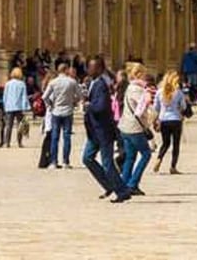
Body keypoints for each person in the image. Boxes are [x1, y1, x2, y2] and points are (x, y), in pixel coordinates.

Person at [81, 57, 128, 203]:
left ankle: (122, 190)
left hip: (103, 131)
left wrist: (89, 106)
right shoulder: (92, 84)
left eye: (92, 67)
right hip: (94, 131)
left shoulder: (101, 85)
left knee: (107, 163)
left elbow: (101, 107)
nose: (88, 70)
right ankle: (109, 185)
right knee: (87, 158)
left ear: (100, 69)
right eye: (88, 67)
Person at [117, 64, 155, 195]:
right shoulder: (136, 89)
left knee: (130, 157)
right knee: (146, 154)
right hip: (134, 128)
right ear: (139, 75)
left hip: (126, 127)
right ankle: (133, 183)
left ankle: (123, 183)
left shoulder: (131, 87)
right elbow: (144, 105)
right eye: (144, 74)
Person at [42, 62, 80, 169]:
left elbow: (44, 96)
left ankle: (53, 161)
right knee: (67, 137)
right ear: (66, 70)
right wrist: (74, 102)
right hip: (68, 111)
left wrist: (50, 105)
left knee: (55, 137)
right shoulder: (72, 82)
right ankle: (65, 162)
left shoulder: (53, 82)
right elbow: (80, 95)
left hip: (56, 111)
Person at [154, 70, 189, 175]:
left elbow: (156, 107)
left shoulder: (160, 92)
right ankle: (173, 167)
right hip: (176, 120)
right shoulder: (178, 92)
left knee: (165, 143)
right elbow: (183, 106)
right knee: (176, 144)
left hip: (164, 120)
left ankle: (159, 158)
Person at [0, 67, 30, 148]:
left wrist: (5, 105)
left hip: (9, 107)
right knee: (19, 125)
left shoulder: (8, 84)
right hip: (19, 107)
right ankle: (19, 142)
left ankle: (7, 142)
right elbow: (24, 96)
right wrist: (25, 107)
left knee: (8, 125)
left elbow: (5, 96)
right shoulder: (22, 84)